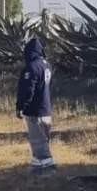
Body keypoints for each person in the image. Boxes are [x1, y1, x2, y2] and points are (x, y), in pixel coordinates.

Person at [15, 37, 57, 176]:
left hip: (35, 112)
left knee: (38, 143)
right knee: (44, 141)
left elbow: (28, 90)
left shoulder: (31, 67)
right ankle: (37, 168)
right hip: (46, 111)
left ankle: (47, 170)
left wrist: (21, 106)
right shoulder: (47, 66)